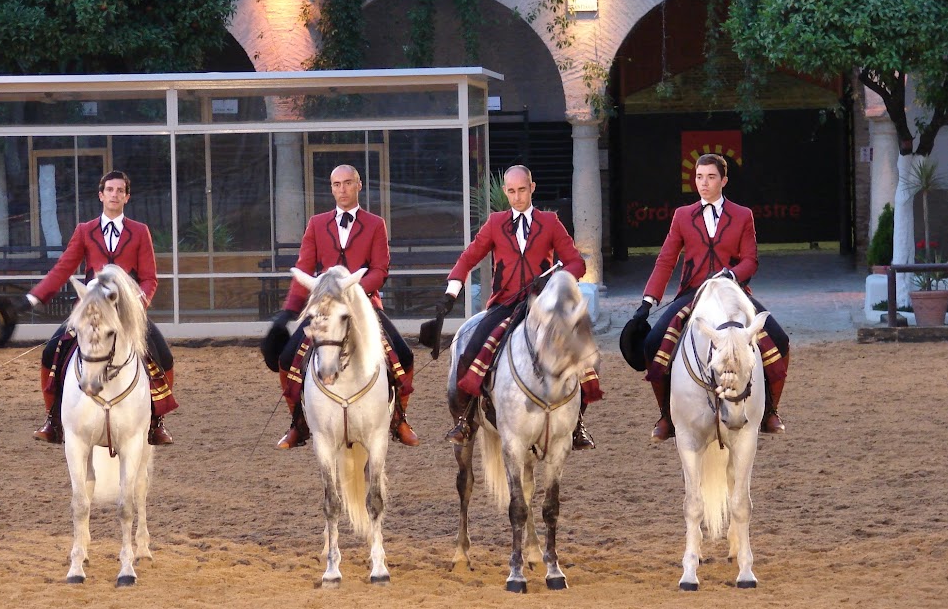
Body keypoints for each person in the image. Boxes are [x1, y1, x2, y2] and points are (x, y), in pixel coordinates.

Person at [440, 164, 600, 448]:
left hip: (544, 307)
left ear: (532, 188)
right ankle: (464, 419)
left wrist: (555, 280)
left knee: (582, 357)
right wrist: (452, 291)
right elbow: (469, 257)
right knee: (470, 349)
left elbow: (576, 262)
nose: (517, 197)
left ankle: (578, 424)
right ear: (505, 192)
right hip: (505, 304)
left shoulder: (550, 222)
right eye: (511, 191)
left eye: (522, 190)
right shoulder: (495, 223)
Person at [633, 153, 789, 442]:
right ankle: (666, 416)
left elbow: (750, 260)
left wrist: (730, 275)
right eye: (699, 177)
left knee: (779, 340)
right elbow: (666, 260)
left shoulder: (743, 215)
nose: (703, 183)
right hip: (694, 293)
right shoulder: (682, 215)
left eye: (711, 177)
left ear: (724, 180)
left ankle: (770, 411)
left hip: (733, 292)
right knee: (654, 343)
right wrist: (648, 301)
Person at [262, 164, 419, 449]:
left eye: (348, 183)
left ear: (359, 185)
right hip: (324, 308)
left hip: (365, 304)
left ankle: (400, 418)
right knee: (287, 359)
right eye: (336, 184)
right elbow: (304, 268)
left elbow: (380, 269)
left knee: (403, 356)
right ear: (331, 188)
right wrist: (289, 311)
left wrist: (355, 293)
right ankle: (298, 422)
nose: (342, 189)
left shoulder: (375, 224)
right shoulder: (316, 224)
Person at [27, 170, 177, 446]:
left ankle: (156, 421)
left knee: (162, 355)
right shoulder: (85, 230)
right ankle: (52, 418)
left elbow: (149, 278)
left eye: (120, 190)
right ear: (101, 195)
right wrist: (36, 296)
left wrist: (139, 305)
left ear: (127, 197)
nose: (115, 194)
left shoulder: (140, 231)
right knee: (51, 352)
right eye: (110, 189)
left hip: (126, 310)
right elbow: (64, 268)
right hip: (90, 308)